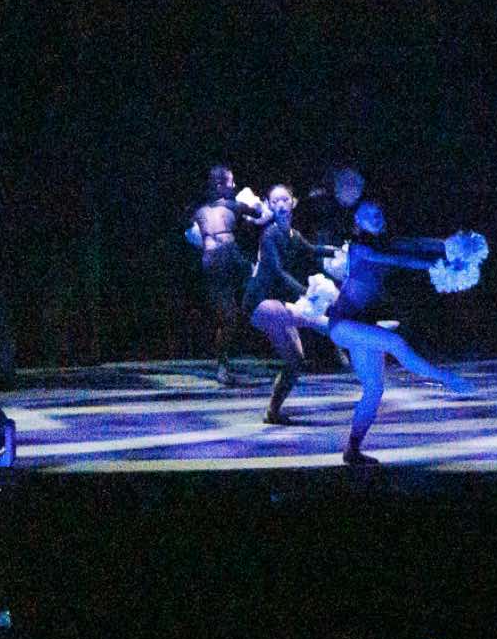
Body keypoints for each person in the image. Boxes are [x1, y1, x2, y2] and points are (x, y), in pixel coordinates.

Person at [325, 200, 475, 466]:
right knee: (395, 342)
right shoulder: (359, 247)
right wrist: (439, 264)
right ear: (357, 221)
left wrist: (449, 245)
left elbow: (415, 244)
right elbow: (397, 259)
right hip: (342, 323)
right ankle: (446, 378)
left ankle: (352, 450)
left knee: (374, 390)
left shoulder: (387, 242)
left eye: (379, 214)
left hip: (362, 325)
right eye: (370, 215)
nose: (377, 218)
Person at [244, 184, 327, 425]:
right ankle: (368, 330)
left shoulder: (294, 235)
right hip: (260, 302)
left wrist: (343, 251)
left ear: (293, 202)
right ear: (269, 206)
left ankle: (273, 411)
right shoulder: (269, 235)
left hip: (277, 304)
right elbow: (278, 272)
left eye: (284, 200)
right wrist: (306, 294)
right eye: (275, 201)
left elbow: (313, 250)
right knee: (316, 320)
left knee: (296, 361)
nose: (280, 204)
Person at [185, 163, 267, 386]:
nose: (234, 185)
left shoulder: (199, 210)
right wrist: (253, 207)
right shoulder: (232, 205)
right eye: (231, 182)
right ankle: (224, 364)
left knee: (228, 316)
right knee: (231, 314)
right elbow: (258, 212)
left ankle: (223, 366)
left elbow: (189, 229)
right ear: (220, 185)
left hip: (213, 259)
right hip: (226, 257)